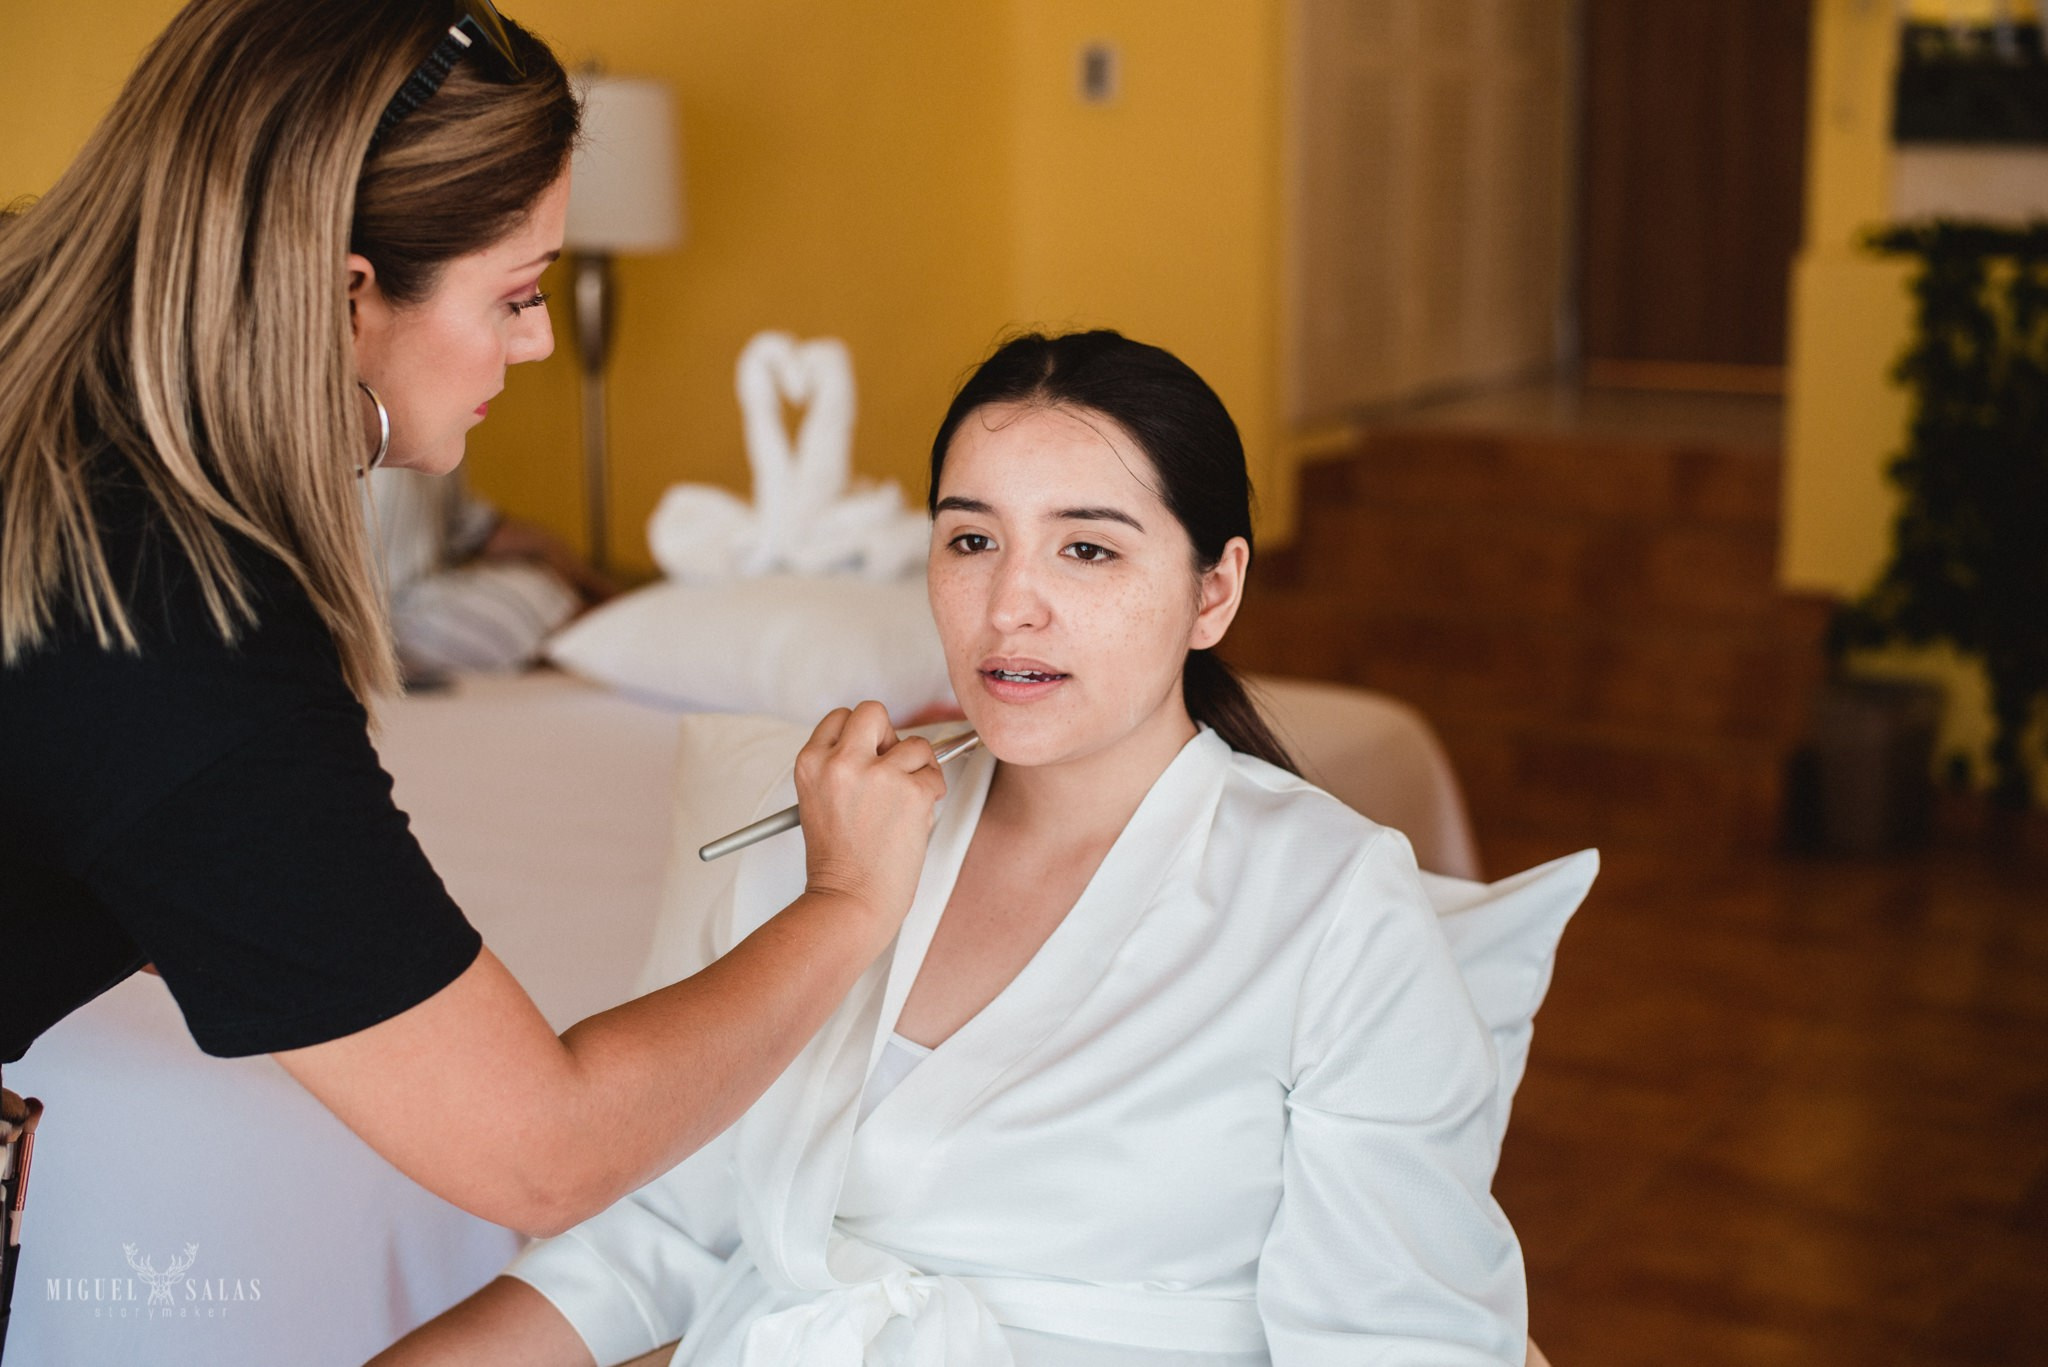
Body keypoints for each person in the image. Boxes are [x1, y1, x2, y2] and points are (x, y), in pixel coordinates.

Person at [377, 331, 1526, 1366]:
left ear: (1213, 589)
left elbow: (1400, 1342)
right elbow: (660, 1231)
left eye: (1086, 550)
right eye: (970, 537)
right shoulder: (833, 837)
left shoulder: (1325, 899)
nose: (1008, 603)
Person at [0, 0, 945, 1242]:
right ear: (344, 299)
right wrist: (847, 903)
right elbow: (540, 1155)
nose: (541, 337)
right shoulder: (172, 606)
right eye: (515, 294)